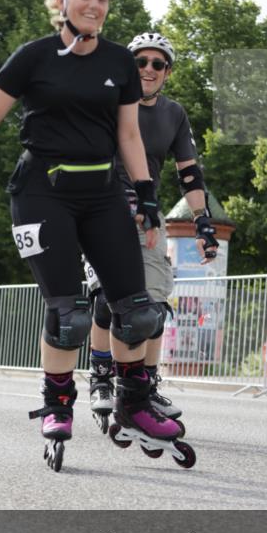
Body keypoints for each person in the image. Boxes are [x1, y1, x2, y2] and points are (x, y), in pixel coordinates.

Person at [0, 0, 194, 471]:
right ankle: (58, 405)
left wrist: (148, 198)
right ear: (60, 0)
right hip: (41, 192)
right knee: (69, 315)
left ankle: (134, 403)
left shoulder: (119, 64)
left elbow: (129, 135)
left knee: (138, 310)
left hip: (103, 192)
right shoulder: (33, 57)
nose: (94, 6)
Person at [86, 32, 219, 431]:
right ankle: (101, 378)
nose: (148, 69)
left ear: (167, 72)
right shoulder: (109, 104)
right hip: (102, 208)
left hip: (147, 216)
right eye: (141, 62)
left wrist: (203, 223)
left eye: (157, 64)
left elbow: (190, 174)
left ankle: (143, 389)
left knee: (154, 309)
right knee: (107, 299)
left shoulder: (173, 114)